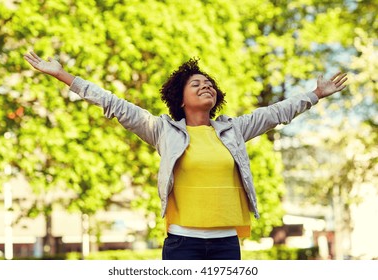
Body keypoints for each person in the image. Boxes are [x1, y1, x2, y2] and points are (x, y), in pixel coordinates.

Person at [24, 51, 347, 260]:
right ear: (181, 97)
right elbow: (114, 104)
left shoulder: (235, 130)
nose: (206, 86)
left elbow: (277, 112)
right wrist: (64, 76)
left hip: (226, 245)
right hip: (182, 245)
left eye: (209, 84)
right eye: (197, 83)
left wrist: (315, 94)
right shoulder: (162, 131)